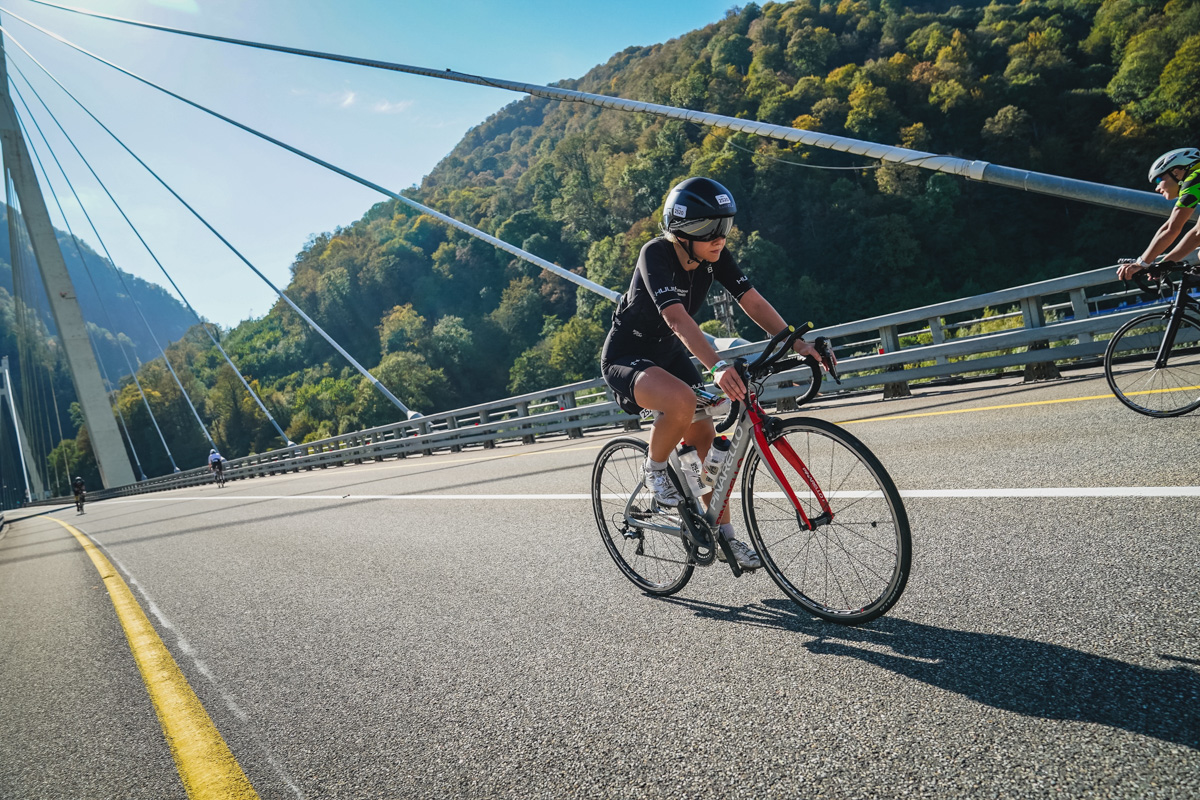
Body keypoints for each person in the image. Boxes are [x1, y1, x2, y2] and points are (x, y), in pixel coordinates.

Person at [600, 176, 833, 570]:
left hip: (670, 355)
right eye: (707, 228)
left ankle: (726, 540)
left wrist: (797, 343)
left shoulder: (714, 257)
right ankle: (655, 470)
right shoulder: (655, 254)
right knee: (682, 401)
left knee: (707, 445)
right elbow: (675, 318)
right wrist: (718, 365)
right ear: (680, 232)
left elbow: (752, 301)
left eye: (724, 226)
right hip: (628, 355)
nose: (719, 237)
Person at [1117, 147, 1200, 281]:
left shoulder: (1195, 179)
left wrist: (1141, 263)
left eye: (1158, 179)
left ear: (1177, 172)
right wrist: (1165, 264)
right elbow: (1197, 235)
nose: (1157, 188)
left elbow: (1171, 229)